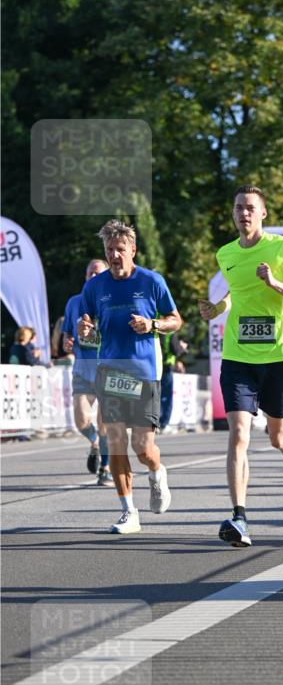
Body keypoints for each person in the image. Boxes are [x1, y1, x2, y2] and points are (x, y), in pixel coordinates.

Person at [199, 185, 283, 548]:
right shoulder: (225, 253)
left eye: (250, 208)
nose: (243, 213)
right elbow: (238, 292)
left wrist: (275, 283)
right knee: (239, 435)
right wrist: (218, 308)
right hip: (238, 356)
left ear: (263, 213)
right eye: (238, 208)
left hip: (278, 356)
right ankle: (240, 517)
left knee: (278, 437)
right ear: (232, 214)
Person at [78, 220, 182, 532]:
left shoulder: (151, 281)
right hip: (110, 370)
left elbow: (175, 320)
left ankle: (156, 473)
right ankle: (128, 511)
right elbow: (87, 319)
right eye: (109, 250)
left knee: (142, 447)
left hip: (145, 370)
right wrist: (85, 327)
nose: (114, 255)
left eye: (120, 250)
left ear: (132, 250)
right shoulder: (95, 287)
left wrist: (153, 325)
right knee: (115, 441)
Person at [62, 258, 114, 485]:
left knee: (105, 423)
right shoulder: (74, 302)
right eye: (90, 273)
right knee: (81, 420)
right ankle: (94, 442)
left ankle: (106, 467)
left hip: (109, 370)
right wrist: (67, 342)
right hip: (83, 370)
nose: (93, 277)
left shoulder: (112, 301)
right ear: (85, 277)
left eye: (98, 273)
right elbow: (67, 334)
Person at [159, 331, 189, 431]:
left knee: (155, 396)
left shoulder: (154, 332)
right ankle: (164, 424)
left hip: (154, 368)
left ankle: (154, 423)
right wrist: (182, 347)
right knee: (166, 397)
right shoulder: (170, 334)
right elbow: (175, 350)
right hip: (166, 368)